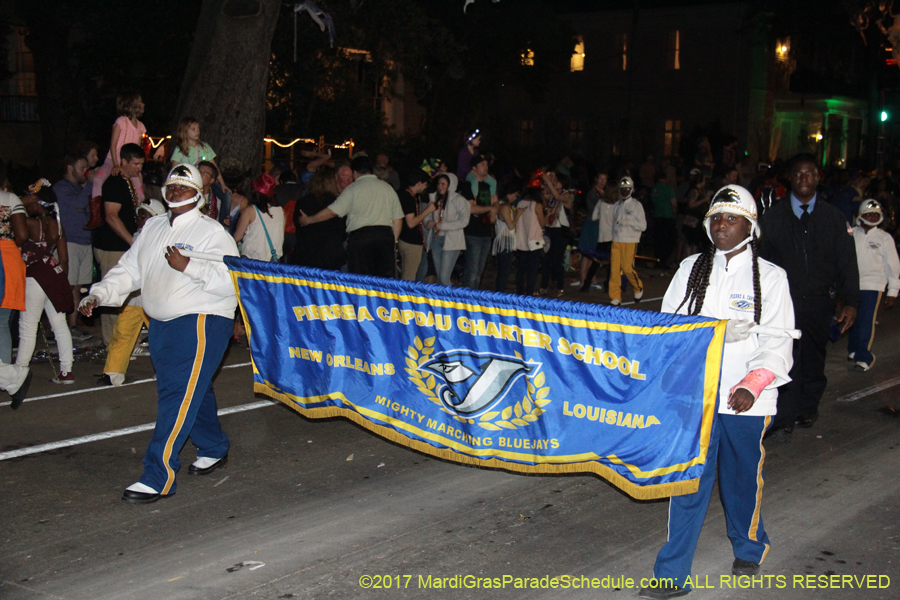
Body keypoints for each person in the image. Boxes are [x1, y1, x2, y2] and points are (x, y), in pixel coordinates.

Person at [640, 185, 794, 600]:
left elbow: (778, 342)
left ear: (750, 226)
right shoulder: (691, 268)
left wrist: (752, 384)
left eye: (732, 218)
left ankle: (749, 546)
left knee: (741, 480)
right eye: (716, 218)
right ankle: (672, 573)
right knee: (688, 481)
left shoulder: (771, 277)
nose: (722, 225)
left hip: (748, 399)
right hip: (696, 397)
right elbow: (669, 327)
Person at [80, 163, 239, 503]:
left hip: (201, 321)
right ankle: (213, 445)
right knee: (190, 388)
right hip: (162, 324)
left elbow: (233, 282)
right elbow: (129, 270)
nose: (177, 191)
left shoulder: (212, 233)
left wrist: (189, 266)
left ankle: (158, 475)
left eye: (185, 186)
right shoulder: (152, 227)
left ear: (199, 194)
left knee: (176, 395)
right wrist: (99, 294)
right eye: (172, 185)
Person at [759, 153, 859, 439]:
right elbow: (761, 263)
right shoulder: (773, 217)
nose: (804, 179)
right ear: (790, 178)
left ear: (817, 178)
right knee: (783, 357)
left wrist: (851, 301)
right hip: (783, 304)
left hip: (819, 302)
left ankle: (807, 407)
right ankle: (784, 414)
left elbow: (847, 262)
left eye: (810, 174)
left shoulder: (833, 218)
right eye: (798, 174)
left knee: (814, 358)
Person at [297, 155, 403, 278]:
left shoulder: (353, 188)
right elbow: (398, 219)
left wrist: (309, 220)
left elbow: (332, 211)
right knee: (384, 279)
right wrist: (393, 241)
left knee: (360, 279)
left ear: (355, 173)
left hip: (362, 238)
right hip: (384, 237)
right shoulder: (387, 188)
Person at [98, 199, 166, 387]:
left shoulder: (159, 239)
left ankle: (166, 372)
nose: (139, 218)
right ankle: (113, 372)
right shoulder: (138, 237)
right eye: (139, 214)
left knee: (160, 338)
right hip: (134, 298)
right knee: (122, 333)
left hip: (152, 299)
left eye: (145, 215)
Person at [16, 183, 75, 384]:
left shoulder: (28, 223)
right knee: (60, 325)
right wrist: (60, 283)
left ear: (36, 202)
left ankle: (19, 374)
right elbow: (64, 259)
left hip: (34, 277)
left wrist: (21, 202)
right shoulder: (57, 225)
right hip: (54, 275)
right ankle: (66, 371)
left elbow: (8, 214)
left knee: (27, 328)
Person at [92, 143, 144, 345]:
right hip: (111, 246)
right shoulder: (115, 183)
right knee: (111, 294)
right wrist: (132, 241)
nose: (139, 168)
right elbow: (111, 216)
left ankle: (124, 341)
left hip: (122, 247)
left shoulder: (127, 181)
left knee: (126, 294)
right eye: (135, 164)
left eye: (141, 164)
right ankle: (112, 343)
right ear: (123, 161)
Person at [847, 200, 900, 371]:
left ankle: (864, 358)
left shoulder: (884, 238)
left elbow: (893, 265)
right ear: (861, 215)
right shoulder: (851, 234)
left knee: (866, 321)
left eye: (875, 215)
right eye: (868, 214)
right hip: (852, 284)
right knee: (852, 319)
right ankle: (854, 349)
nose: (872, 217)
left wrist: (892, 291)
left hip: (873, 285)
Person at [85, 92, 146, 229]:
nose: (143, 105)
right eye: (140, 102)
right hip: (113, 160)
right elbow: (113, 145)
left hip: (129, 163)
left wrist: (137, 169)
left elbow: (137, 149)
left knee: (140, 192)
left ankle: (137, 216)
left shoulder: (140, 126)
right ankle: (96, 215)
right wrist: (116, 164)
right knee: (98, 179)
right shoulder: (121, 122)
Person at [53, 154, 94, 340]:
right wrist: (90, 185)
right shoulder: (61, 188)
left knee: (77, 287)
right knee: (66, 286)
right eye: (82, 167)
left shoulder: (79, 188)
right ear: (70, 168)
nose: (85, 171)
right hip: (69, 242)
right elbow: (78, 203)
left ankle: (72, 325)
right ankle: (57, 327)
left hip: (85, 241)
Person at [0, 186, 32, 408]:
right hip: (8, 260)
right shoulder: (9, 198)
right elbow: (21, 235)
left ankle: (11, 377)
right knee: (2, 323)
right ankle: (9, 377)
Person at [291, 166, 347, 270]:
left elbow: (297, 223)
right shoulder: (336, 204)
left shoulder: (303, 202)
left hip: (305, 253)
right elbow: (342, 231)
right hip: (329, 256)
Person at [422, 174, 470, 287]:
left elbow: (464, 221)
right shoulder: (434, 198)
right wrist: (428, 222)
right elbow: (426, 215)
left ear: (450, 185)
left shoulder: (458, 200)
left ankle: (450, 297)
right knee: (440, 276)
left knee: (444, 276)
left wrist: (443, 226)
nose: (440, 186)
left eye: (443, 184)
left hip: (451, 241)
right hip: (436, 239)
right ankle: (444, 296)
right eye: (438, 184)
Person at [460, 154, 498, 289]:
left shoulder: (489, 184)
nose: (485, 167)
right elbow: (471, 208)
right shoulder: (467, 185)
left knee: (479, 271)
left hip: (486, 232)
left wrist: (493, 210)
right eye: (482, 164)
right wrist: (490, 208)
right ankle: (466, 297)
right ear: (474, 168)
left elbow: (495, 202)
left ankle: (473, 296)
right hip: (472, 231)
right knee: (472, 270)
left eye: (486, 164)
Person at [608, 176, 646, 306]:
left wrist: (627, 222)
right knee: (614, 270)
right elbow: (613, 224)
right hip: (616, 240)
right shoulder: (616, 205)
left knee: (627, 268)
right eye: (623, 189)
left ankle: (638, 287)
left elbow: (643, 226)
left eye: (627, 189)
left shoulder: (636, 205)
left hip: (630, 240)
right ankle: (615, 296)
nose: (625, 191)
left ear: (632, 190)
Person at [169, 118, 230, 193]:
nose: (197, 131)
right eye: (193, 129)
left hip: (204, 181)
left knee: (226, 196)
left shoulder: (205, 147)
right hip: (187, 182)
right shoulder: (180, 149)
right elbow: (174, 169)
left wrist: (222, 184)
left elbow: (214, 167)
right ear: (185, 131)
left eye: (198, 129)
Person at [234, 173, 285, 263]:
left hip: (251, 261)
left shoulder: (250, 211)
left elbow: (237, 237)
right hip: (273, 261)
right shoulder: (281, 211)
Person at [539, 171, 574, 297]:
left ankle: (560, 287)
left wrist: (548, 181)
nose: (554, 182)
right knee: (547, 259)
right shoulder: (554, 195)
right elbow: (546, 200)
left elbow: (559, 198)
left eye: (556, 181)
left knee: (557, 260)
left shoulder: (567, 195)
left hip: (561, 232)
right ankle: (544, 286)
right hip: (551, 229)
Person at [397, 169, 436, 281]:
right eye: (425, 184)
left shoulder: (404, 194)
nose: (425, 187)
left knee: (412, 272)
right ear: (419, 183)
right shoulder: (408, 198)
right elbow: (411, 223)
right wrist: (428, 210)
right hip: (410, 242)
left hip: (405, 239)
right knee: (409, 276)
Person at [515, 187, 546, 296]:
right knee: (533, 270)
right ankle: (529, 293)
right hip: (534, 241)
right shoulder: (536, 205)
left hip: (522, 240)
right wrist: (548, 215)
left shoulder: (520, 203)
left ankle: (519, 292)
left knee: (521, 269)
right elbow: (542, 223)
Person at [493, 179, 522, 292]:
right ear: (509, 194)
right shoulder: (504, 207)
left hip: (506, 241)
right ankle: (499, 295)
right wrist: (518, 215)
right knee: (503, 272)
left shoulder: (504, 205)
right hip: (504, 242)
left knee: (503, 272)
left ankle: (499, 293)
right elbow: (510, 226)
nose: (515, 198)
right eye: (515, 195)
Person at [651, 171, 677, 269]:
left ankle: (658, 260)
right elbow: (674, 203)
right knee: (668, 241)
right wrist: (675, 213)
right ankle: (664, 261)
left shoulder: (654, 189)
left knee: (658, 240)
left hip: (657, 216)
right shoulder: (668, 188)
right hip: (667, 216)